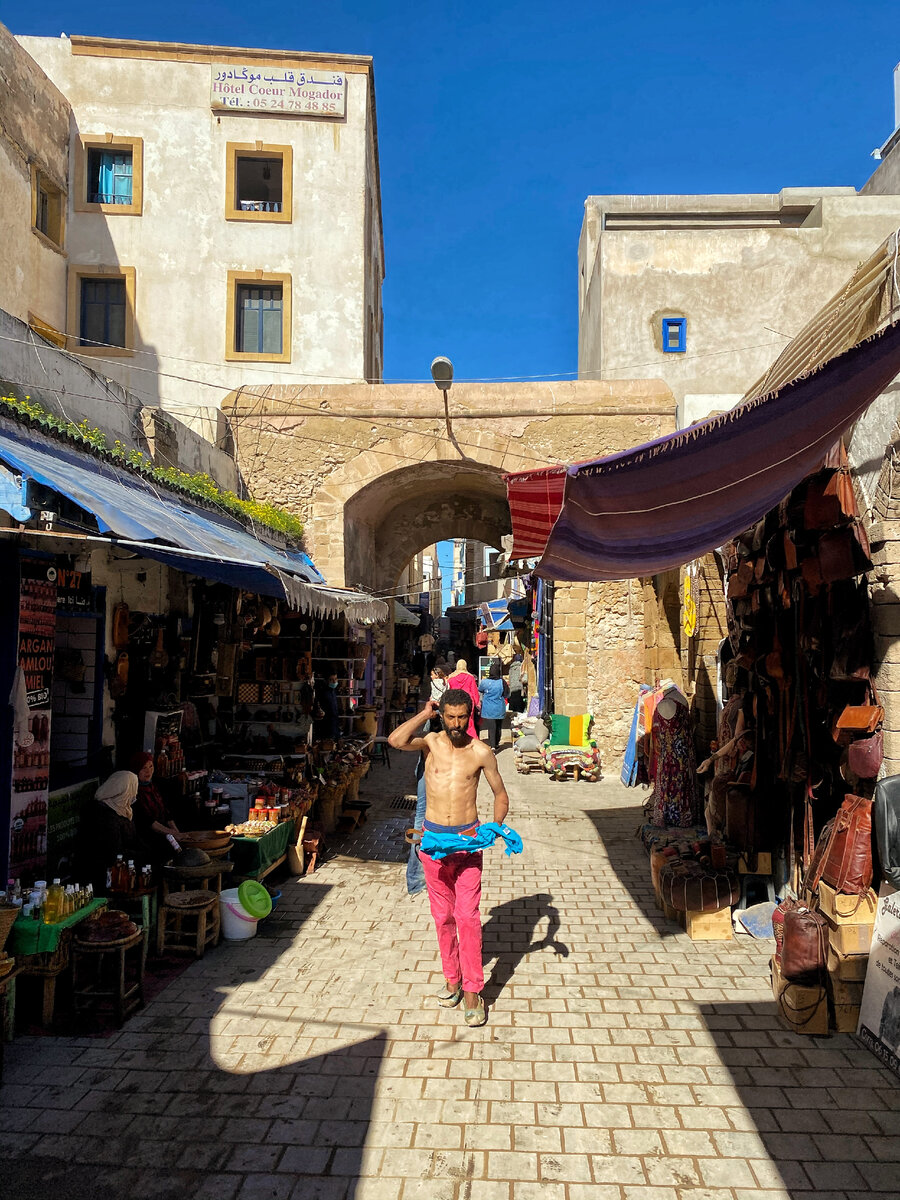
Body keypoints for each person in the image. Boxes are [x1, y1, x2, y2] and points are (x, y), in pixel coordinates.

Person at [389, 688, 510, 1027]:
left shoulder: (482, 752)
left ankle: (473, 991)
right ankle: (452, 980)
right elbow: (396, 740)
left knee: (468, 917)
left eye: (462, 717)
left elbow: (501, 796)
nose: (456, 724)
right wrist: (424, 714)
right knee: (443, 916)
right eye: (450, 716)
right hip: (431, 843)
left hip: (468, 844)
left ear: (471, 716)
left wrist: (495, 827)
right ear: (442, 715)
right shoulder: (430, 743)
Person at [79, 771, 150, 894]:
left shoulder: (121, 809)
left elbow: (134, 839)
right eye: (133, 788)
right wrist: (144, 855)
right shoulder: (104, 815)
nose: (135, 793)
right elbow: (114, 852)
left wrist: (148, 851)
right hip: (104, 876)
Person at [130, 751, 181, 864]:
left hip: (164, 833)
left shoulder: (153, 787)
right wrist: (172, 833)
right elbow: (148, 821)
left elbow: (166, 812)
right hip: (148, 839)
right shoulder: (134, 793)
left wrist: (177, 832)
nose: (148, 771)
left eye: (151, 766)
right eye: (144, 768)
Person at [478, 659, 508, 750]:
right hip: (499, 707)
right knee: (498, 726)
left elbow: (480, 690)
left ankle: (492, 745)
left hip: (488, 708)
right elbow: (507, 694)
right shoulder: (502, 682)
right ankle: (497, 743)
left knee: (491, 727)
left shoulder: (484, 682)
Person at [447, 659, 480, 738]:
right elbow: (474, 692)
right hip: (468, 702)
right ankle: (471, 739)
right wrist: (477, 703)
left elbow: (448, 691)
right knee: (469, 722)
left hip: (455, 701)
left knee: (456, 721)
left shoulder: (451, 678)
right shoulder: (470, 677)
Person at [313, 669, 341, 742]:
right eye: (331, 680)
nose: (334, 682)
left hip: (334, 725)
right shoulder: (323, 692)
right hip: (326, 727)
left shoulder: (333, 691)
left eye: (335, 679)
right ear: (326, 681)